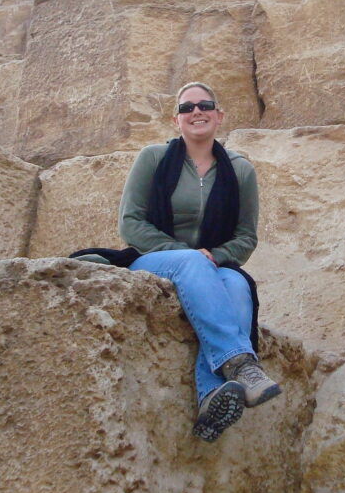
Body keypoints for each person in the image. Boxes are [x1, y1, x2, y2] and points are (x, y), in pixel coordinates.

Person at [119, 81, 281, 442]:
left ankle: (211, 397)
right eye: (186, 107)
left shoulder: (240, 171)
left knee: (238, 285)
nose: (196, 111)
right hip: (153, 261)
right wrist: (180, 252)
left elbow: (245, 236)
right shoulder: (153, 158)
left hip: (211, 267)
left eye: (205, 105)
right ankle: (242, 365)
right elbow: (129, 223)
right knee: (191, 263)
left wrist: (218, 256)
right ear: (176, 120)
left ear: (219, 116)